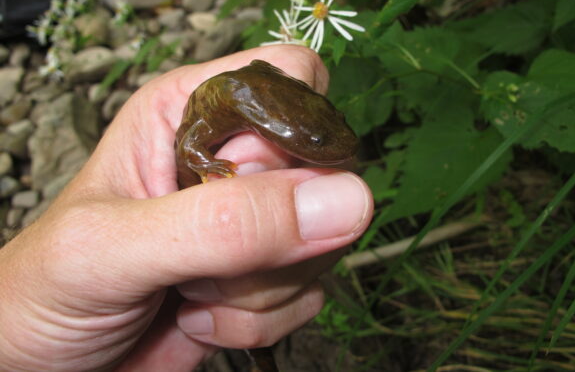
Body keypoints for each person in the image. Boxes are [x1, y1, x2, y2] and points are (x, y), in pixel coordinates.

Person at [0, 45, 373, 371]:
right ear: (262, 123)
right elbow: (189, 146)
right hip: (183, 191)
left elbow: (263, 68)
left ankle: (261, 357)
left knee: (246, 287)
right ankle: (261, 358)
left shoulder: (256, 99)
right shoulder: (222, 111)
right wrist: (205, 164)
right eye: (317, 140)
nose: (339, 145)